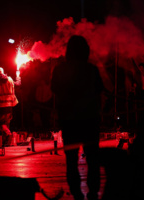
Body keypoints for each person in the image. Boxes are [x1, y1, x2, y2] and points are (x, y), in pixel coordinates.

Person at [51, 35, 104, 200]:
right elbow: (99, 91)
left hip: (69, 120)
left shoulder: (60, 70)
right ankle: (93, 192)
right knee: (93, 159)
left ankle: (77, 193)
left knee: (71, 160)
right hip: (89, 119)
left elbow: (55, 90)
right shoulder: (91, 69)